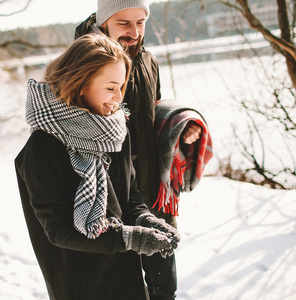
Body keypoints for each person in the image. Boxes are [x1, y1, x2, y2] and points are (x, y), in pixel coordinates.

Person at [15, 33, 180, 300]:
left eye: (122, 87)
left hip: (127, 279)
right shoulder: (42, 147)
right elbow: (59, 231)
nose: (118, 98)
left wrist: (145, 219)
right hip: (81, 286)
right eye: (110, 87)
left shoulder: (113, 130)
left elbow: (129, 194)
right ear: (81, 83)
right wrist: (130, 238)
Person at [75, 1, 203, 299]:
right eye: (124, 23)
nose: (134, 32)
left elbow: (152, 115)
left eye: (141, 22)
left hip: (152, 189)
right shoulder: (84, 60)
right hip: (110, 195)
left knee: (164, 285)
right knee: (120, 286)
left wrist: (179, 127)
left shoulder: (148, 61)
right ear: (103, 20)